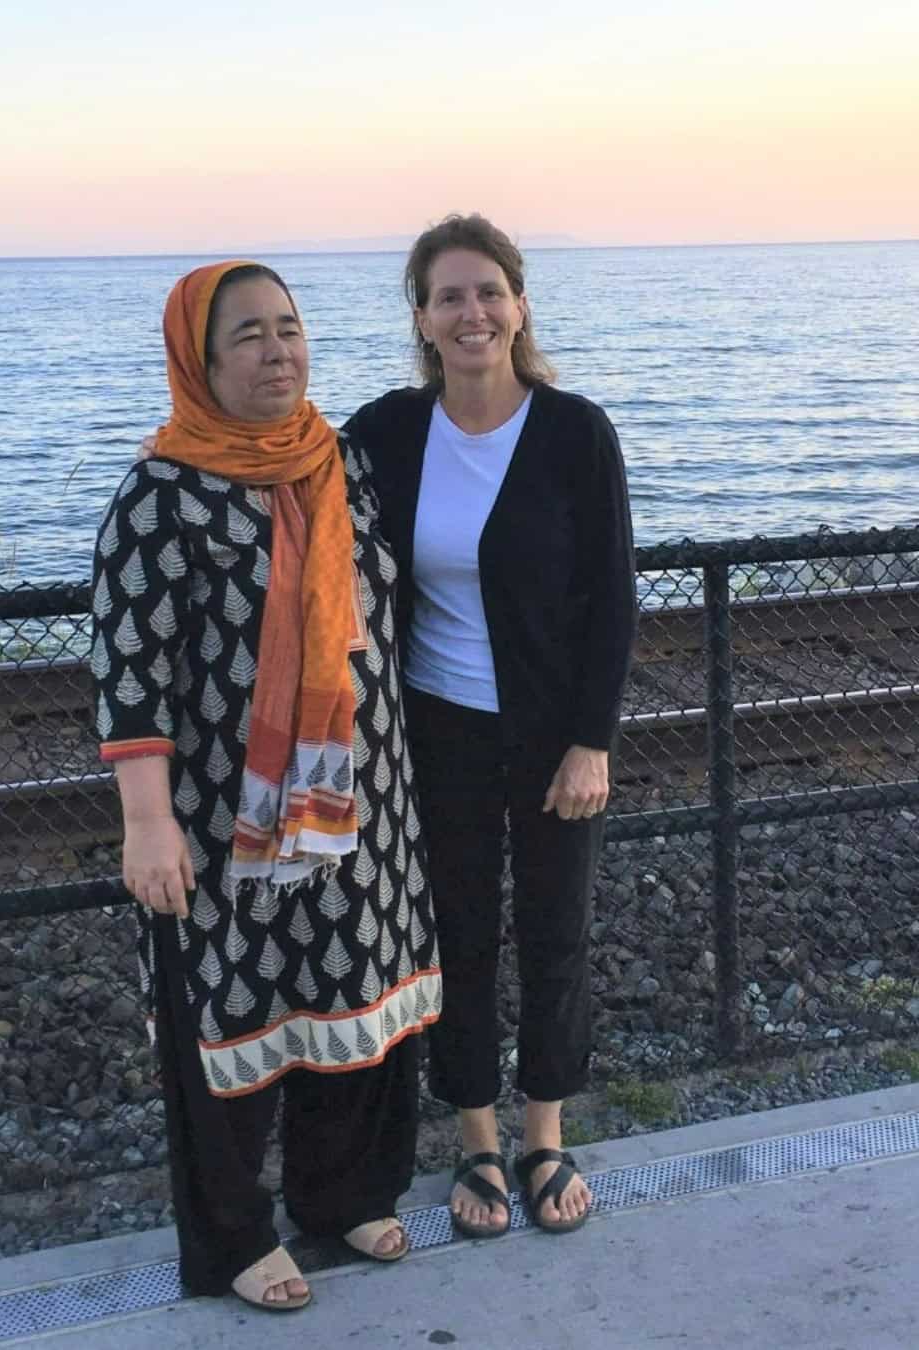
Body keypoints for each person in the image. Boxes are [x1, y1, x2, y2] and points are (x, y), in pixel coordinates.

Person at [91, 261, 440, 1311]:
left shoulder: (338, 464)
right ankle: (234, 1237)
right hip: (220, 819)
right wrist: (147, 825)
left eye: (288, 328)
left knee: (354, 994)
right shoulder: (161, 494)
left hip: (360, 800)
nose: (277, 350)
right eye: (247, 334)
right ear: (199, 361)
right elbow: (129, 672)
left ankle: (343, 1198)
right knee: (232, 1019)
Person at [343, 215, 636, 1240]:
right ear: (422, 320)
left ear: (518, 306)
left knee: (555, 936)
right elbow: (294, 499)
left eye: (488, 292)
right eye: (448, 296)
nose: (472, 313)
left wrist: (591, 740)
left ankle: (544, 1135)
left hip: (556, 737)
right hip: (436, 736)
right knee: (457, 939)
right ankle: (476, 1139)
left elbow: (612, 599)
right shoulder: (384, 433)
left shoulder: (572, 432)